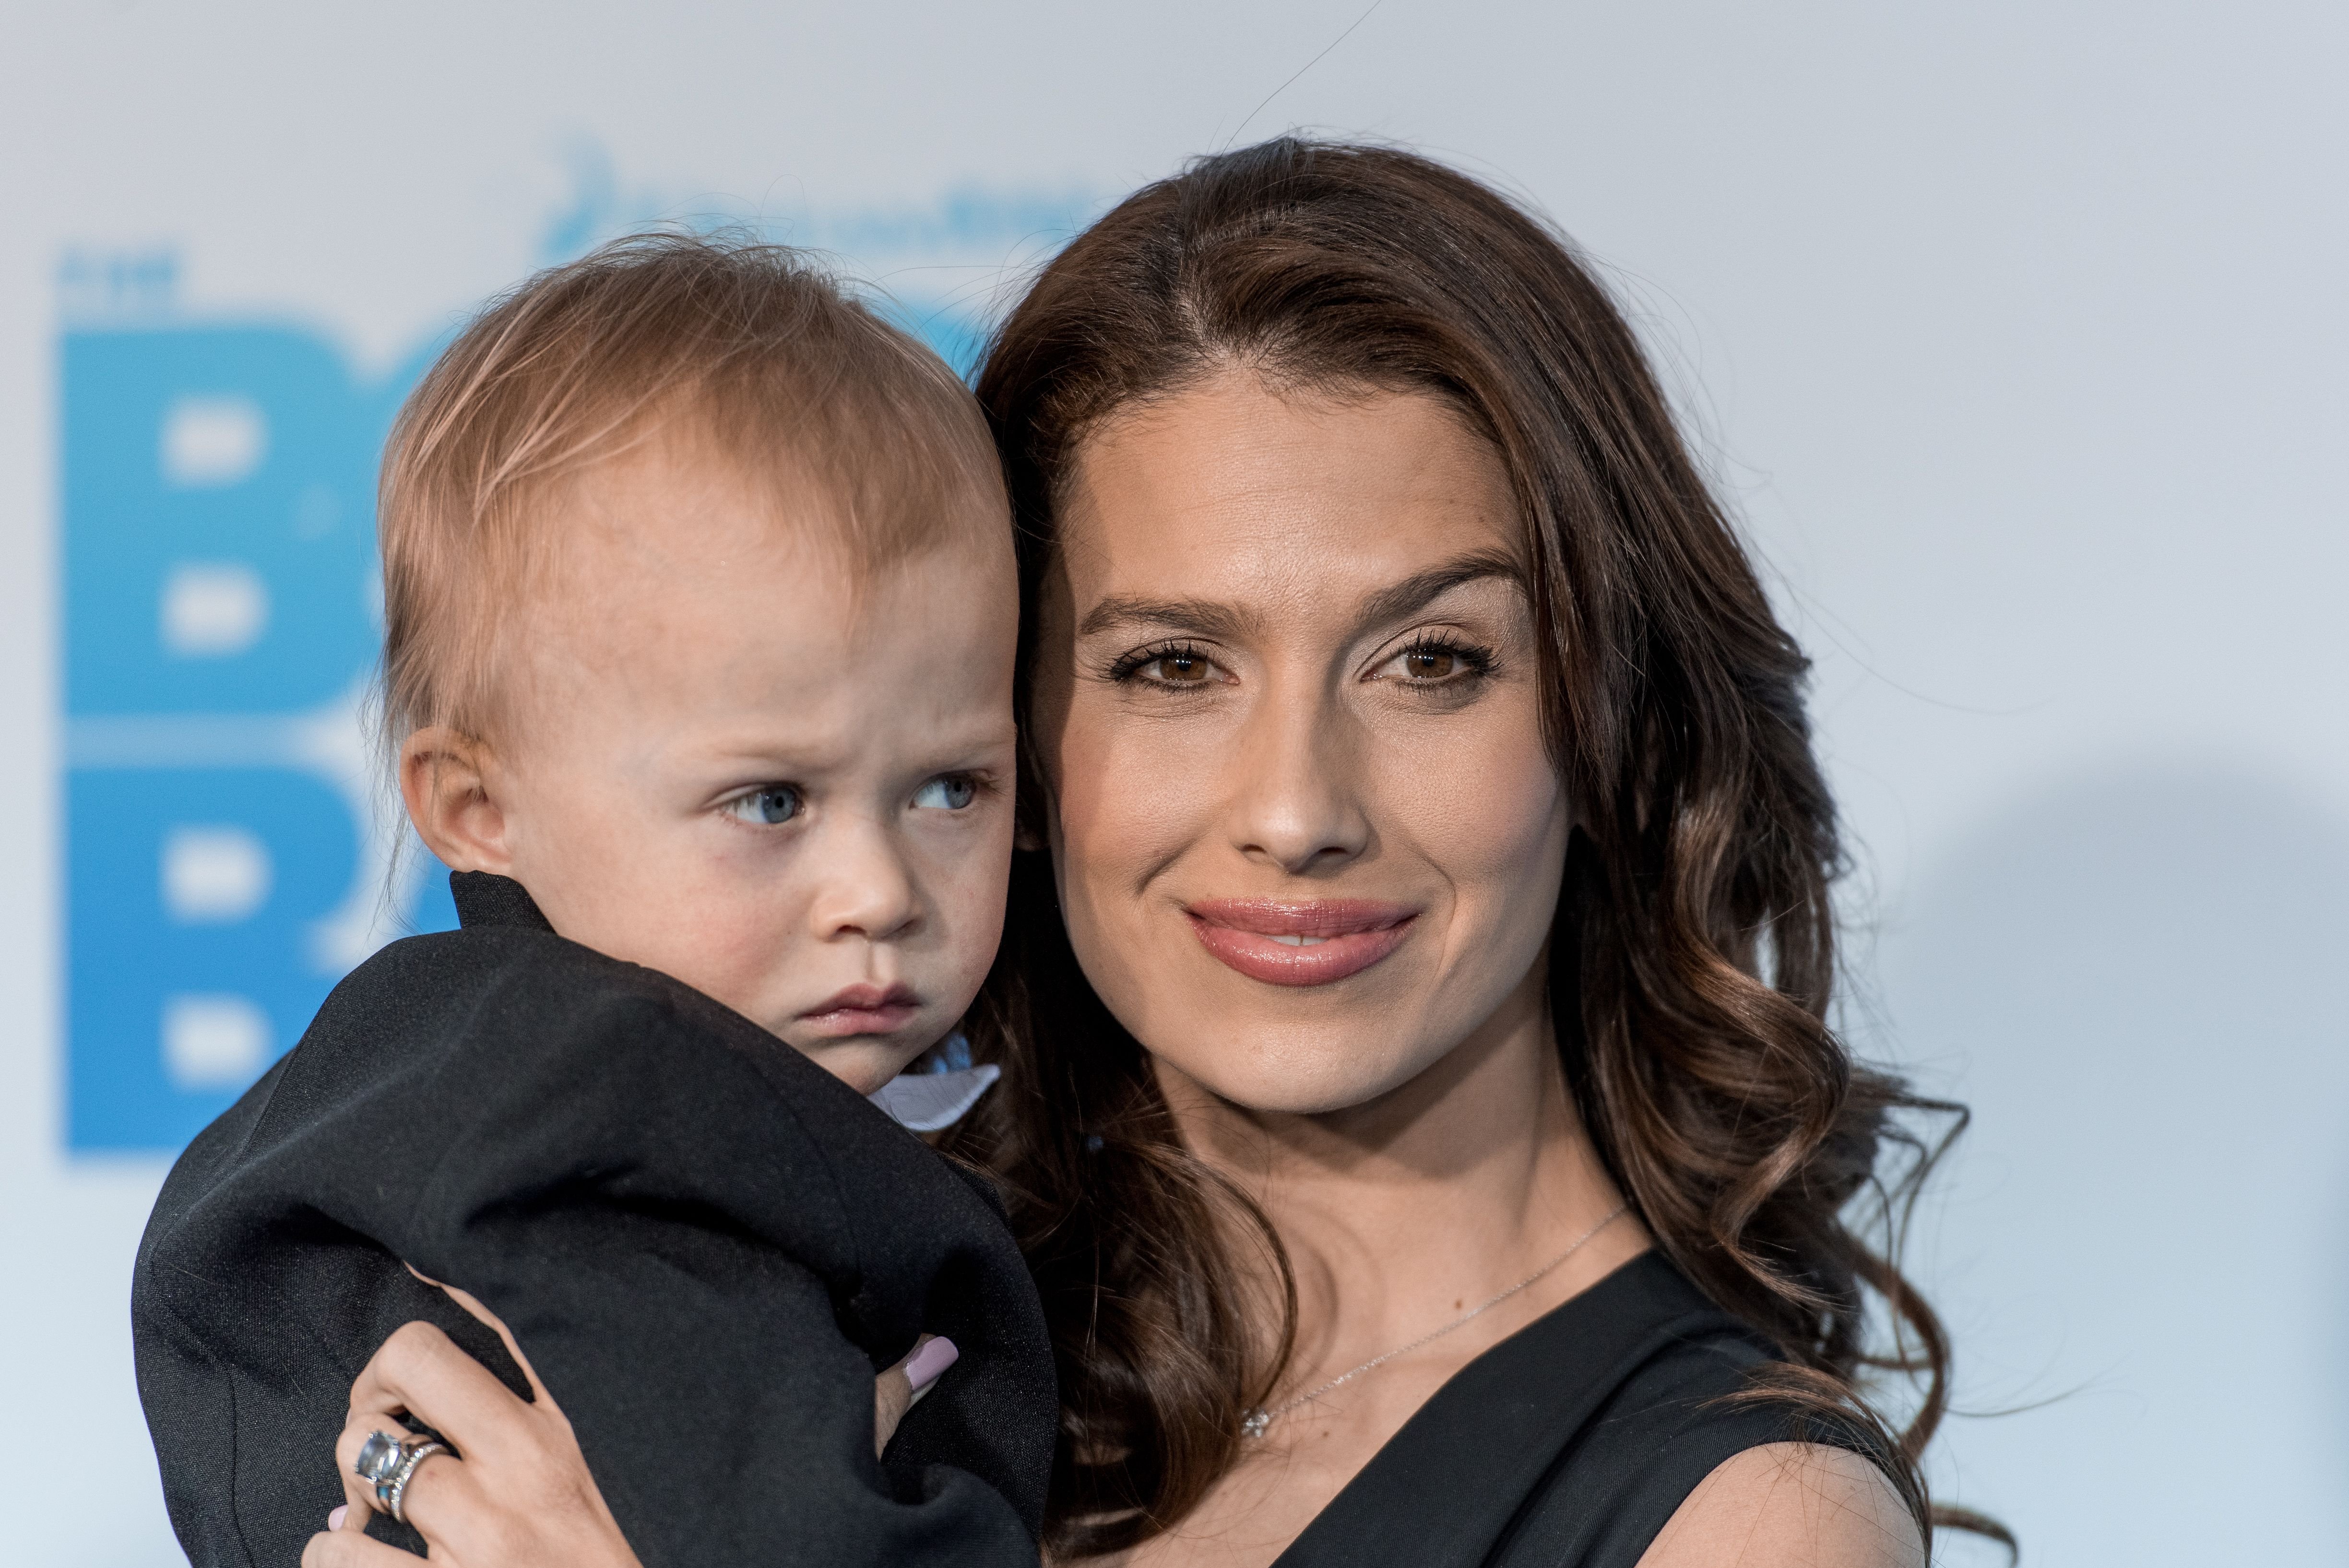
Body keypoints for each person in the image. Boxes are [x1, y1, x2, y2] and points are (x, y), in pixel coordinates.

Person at [301, 139, 1990, 1568]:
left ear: (1611, 715)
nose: (1294, 807)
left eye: (1433, 661)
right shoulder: (856, 1321)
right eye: (1170, 668)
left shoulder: (1750, 1517)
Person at [131, 236, 1059, 1568]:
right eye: (771, 802)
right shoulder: (608, 1119)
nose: (880, 893)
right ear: (476, 807)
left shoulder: (446, 1068)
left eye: (952, 788)